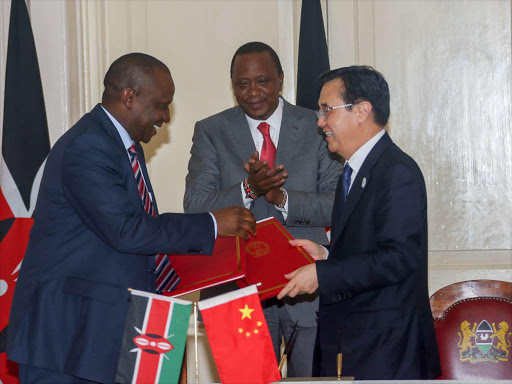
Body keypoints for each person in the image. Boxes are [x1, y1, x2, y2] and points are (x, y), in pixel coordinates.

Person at [6, 53, 255, 384]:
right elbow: (126, 230)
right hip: (66, 336)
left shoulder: (124, 147)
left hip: (99, 334)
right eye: (161, 105)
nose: (165, 116)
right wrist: (212, 224)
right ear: (129, 97)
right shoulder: (88, 146)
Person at [184, 42, 342, 377]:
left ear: (281, 80)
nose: (253, 92)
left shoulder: (317, 127)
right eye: (243, 84)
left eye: (263, 81)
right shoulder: (211, 131)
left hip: (306, 290)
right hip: (237, 289)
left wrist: (281, 197)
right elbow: (195, 205)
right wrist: (248, 189)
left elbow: (337, 206)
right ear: (232, 85)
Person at [277, 66, 441, 379]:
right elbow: (364, 247)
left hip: (386, 351)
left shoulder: (397, 172)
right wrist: (325, 254)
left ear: (362, 111)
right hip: (353, 344)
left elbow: (398, 257)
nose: (320, 121)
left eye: (327, 110)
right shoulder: (350, 174)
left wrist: (323, 274)